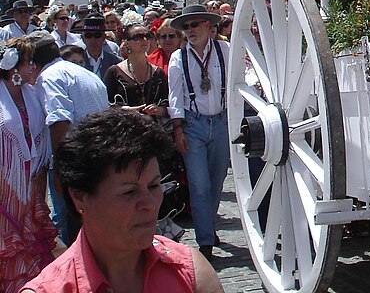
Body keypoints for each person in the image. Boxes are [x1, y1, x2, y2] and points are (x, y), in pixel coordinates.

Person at [20, 108, 222, 293]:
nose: (150, 204)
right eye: (129, 192)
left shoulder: (191, 273)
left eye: (153, 186)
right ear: (79, 197)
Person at [29, 30, 109, 246]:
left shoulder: (49, 77)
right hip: (100, 155)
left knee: (71, 224)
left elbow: (59, 120)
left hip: (77, 160)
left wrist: (61, 165)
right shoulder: (83, 72)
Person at [167, 4, 229, 261]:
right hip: (193, 124)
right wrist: (178, 129)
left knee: (216, 181)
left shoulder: (224, 50)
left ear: (208, 26)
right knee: (199, 184)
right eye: (187, 26)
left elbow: (240, 78)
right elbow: (174, 95)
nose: (190, 30)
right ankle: (205, 241)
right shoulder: (178, 58)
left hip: (222, 122)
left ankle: (208, 225)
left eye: (195, 24)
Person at [0, 38, 57, 291]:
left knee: (30, 240)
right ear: (14, 68)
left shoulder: (32, 94)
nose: (34, 67)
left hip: (30, 181)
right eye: (29, 62)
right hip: (5, 183)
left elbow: (39, 136)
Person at [104, 23, 169, 118]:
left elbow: (168, 104)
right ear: (127, 42)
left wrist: (159, 110)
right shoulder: (114, 72)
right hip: (123, 127)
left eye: (148, 36)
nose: (145, 40)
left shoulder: (158, 72)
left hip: (153, 129)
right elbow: (104, 104)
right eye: (138, 37)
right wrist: (125, 110)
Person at [79, 15, 121, 80]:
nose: (93, 40)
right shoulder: (76, 61)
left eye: (97, 35)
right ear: (83, 39)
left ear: (104, 37)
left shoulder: (116, 62)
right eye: (88, 35)